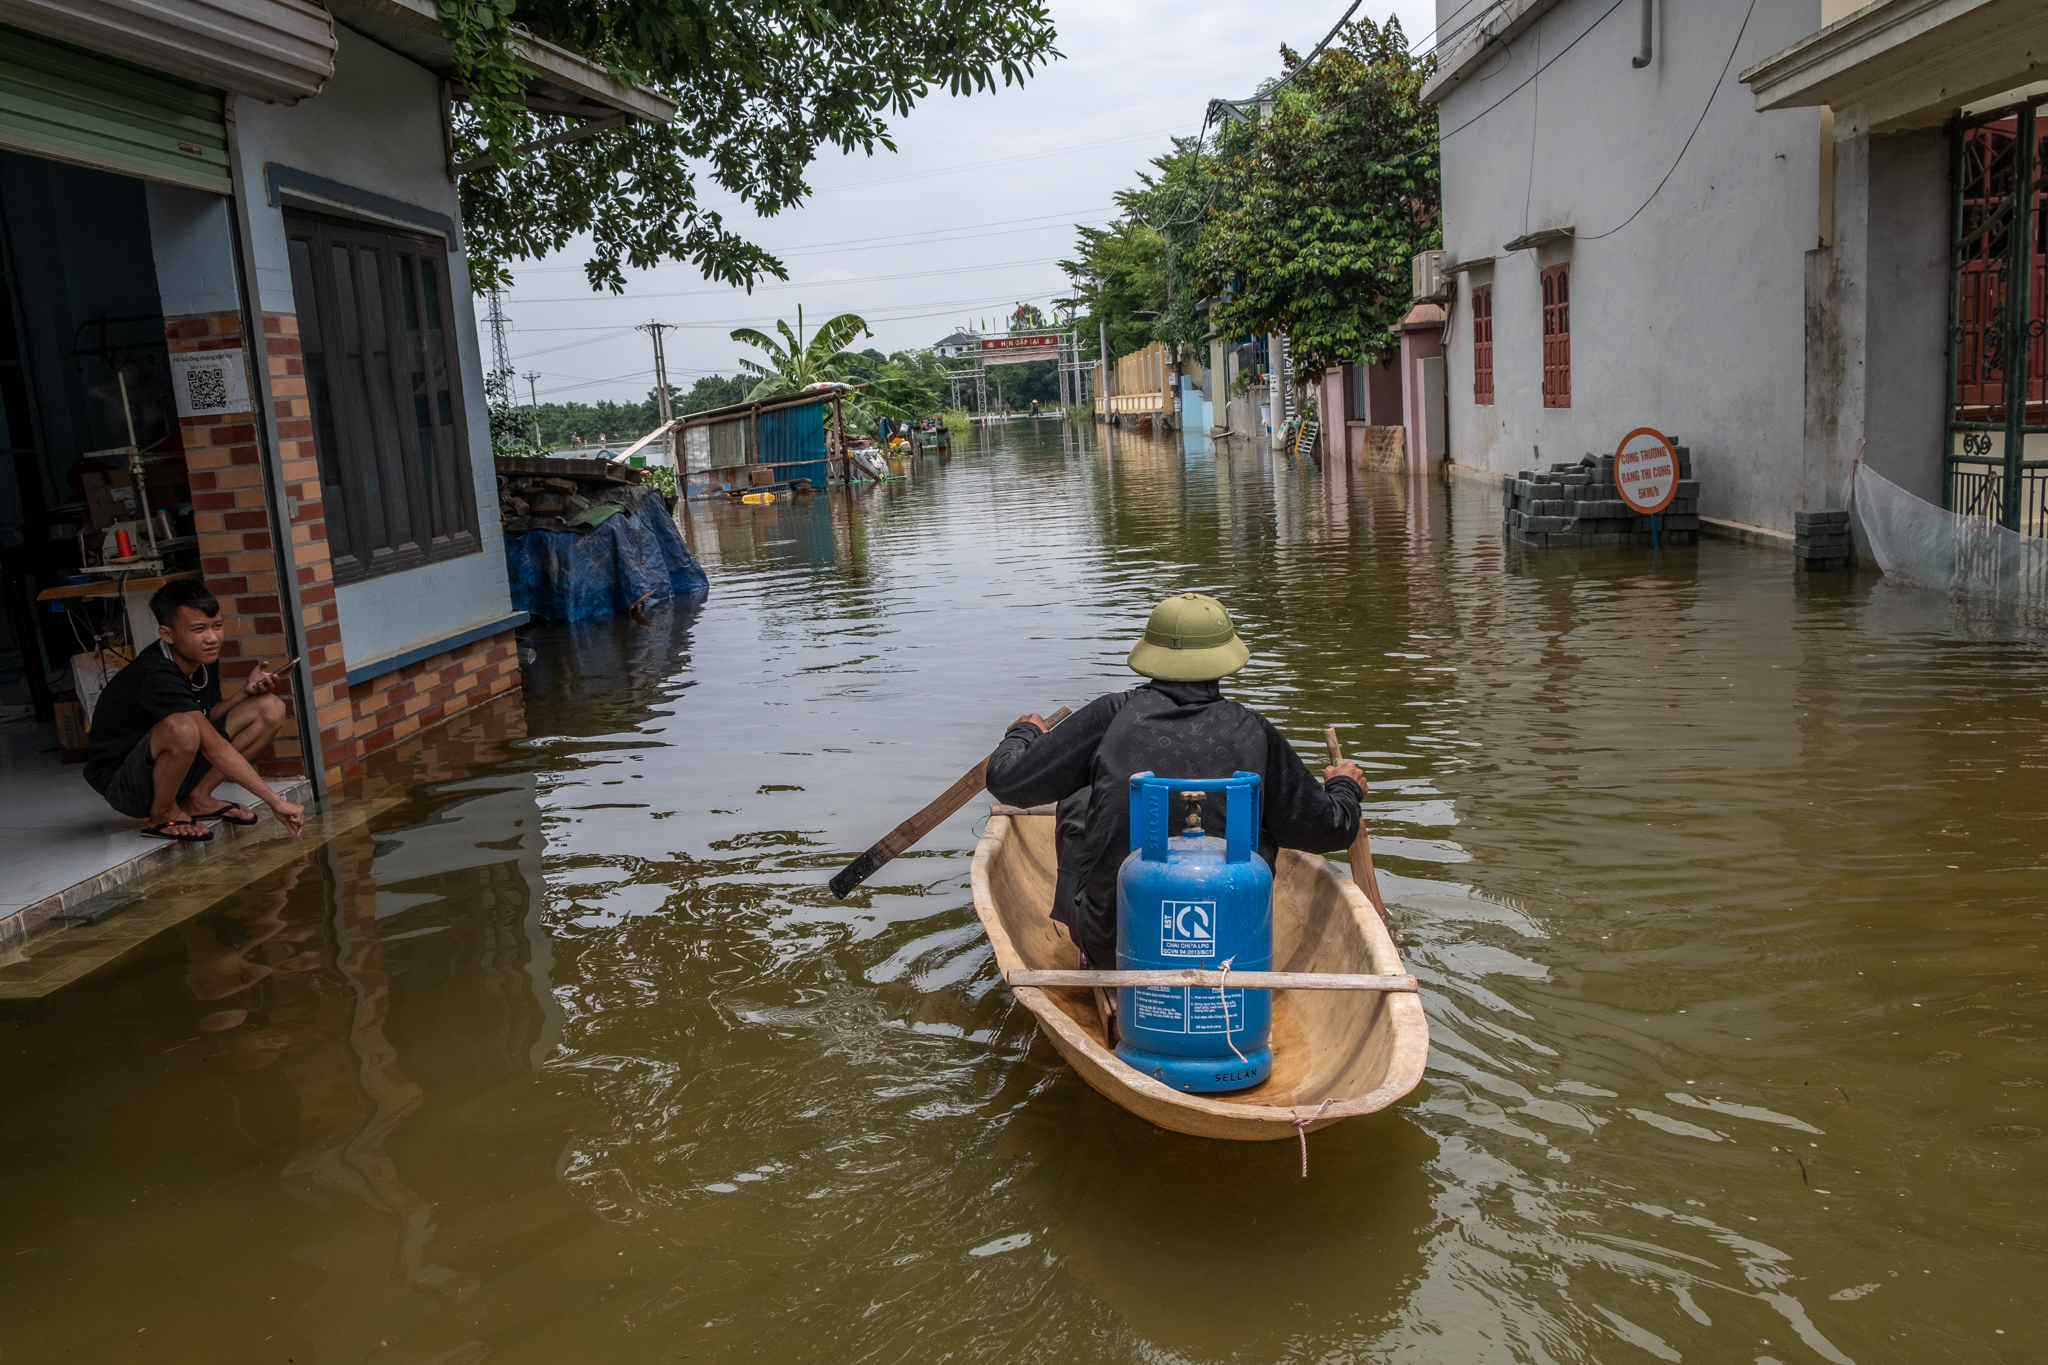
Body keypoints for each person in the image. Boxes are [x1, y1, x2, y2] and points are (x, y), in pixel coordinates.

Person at [985, 592, 1365, 969]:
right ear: (1224, 659)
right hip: (1234, 949)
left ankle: (1090, 950)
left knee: (1078, 797)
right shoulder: (1255, 732)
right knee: (1263, 814)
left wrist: (1025, 733)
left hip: (1114, 944)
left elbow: (1007, 782)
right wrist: (1343, 786)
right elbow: (1329, 830)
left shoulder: (1111, 716)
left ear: (1152, 654)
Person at [84, 579, 306, 843]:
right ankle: (162, 813)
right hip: (125, 786)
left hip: (171, 770)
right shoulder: (157, 674)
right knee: (182, 727)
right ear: (167, 634)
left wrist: (245, 693)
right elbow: (211, 744)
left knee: (269, 707)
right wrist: (274, 801)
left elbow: (206, 718)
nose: (212, 638)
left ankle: (197, 798)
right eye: (199, 629)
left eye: (218, 626)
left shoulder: (201, 657)